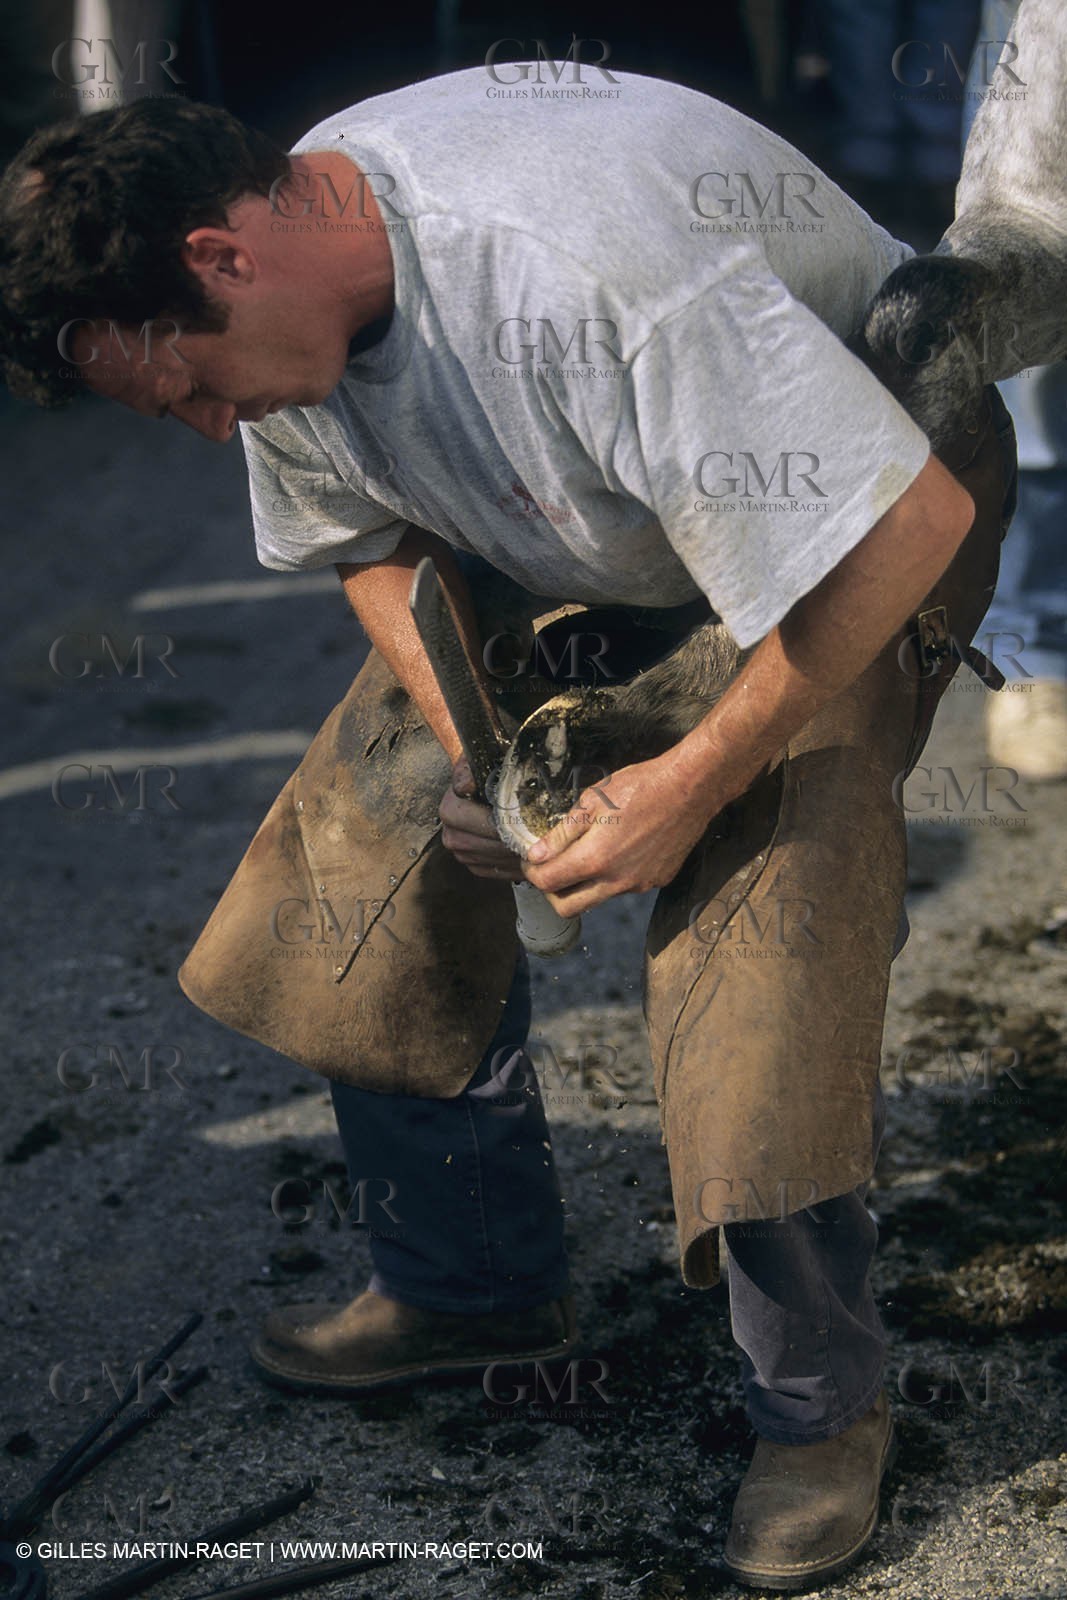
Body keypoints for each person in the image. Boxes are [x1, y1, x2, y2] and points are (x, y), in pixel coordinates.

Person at [0, 70, 1015, 1591]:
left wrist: (681, 787)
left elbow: (909, 526)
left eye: (202, 393)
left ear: (223, 257)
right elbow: (368, 542)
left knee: (762, 925)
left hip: (854, 512)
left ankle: (819, 1412)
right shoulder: (292, 305)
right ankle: (471, 1283)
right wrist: (484, 755)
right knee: (372, 843)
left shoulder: (590, 273)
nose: (217, 434)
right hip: (581, 524)